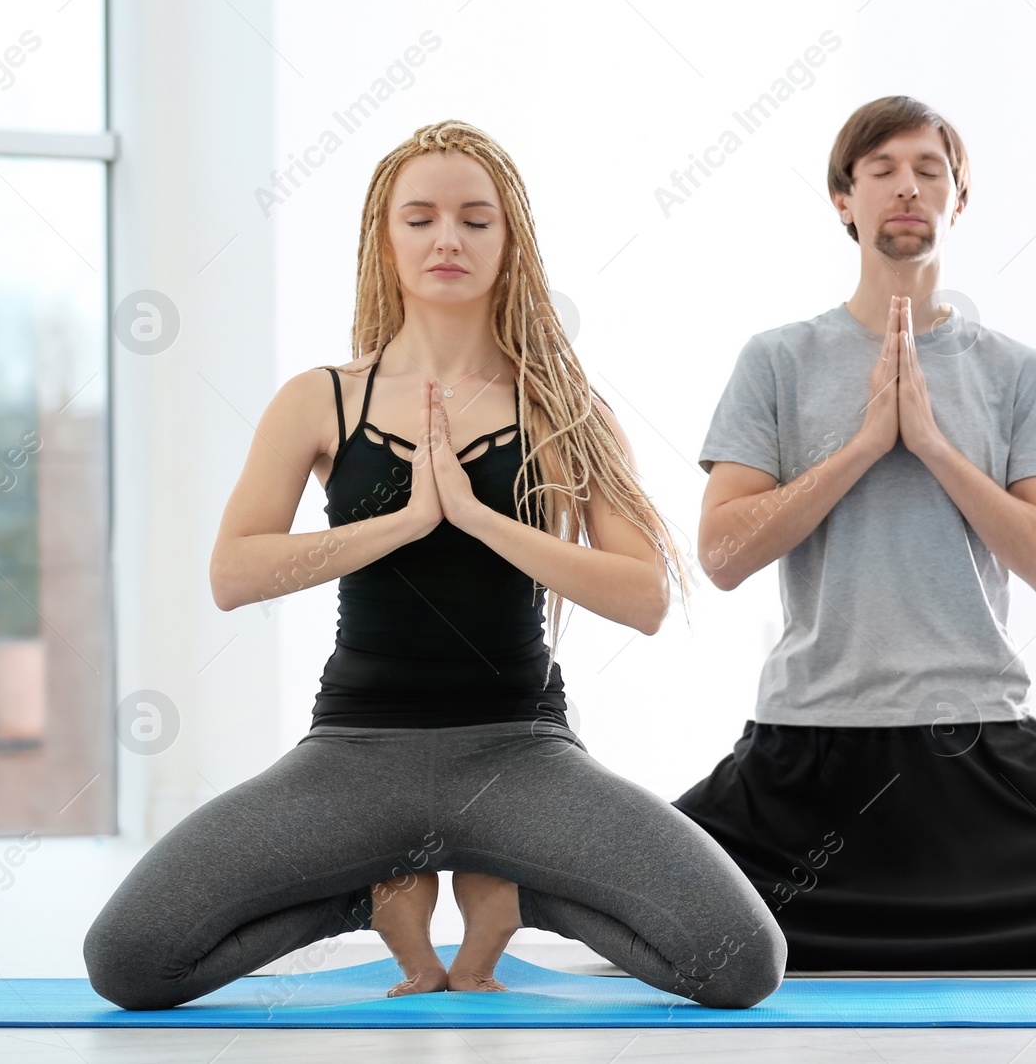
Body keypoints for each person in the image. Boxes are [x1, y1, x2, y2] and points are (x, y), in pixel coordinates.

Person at [82, 120, 785, 1010]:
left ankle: (517, 890)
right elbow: (235, 574)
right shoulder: (321, 399)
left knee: (741, 961)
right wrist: (405, 523)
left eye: (474, 219)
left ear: (509, 242)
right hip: (353, 752)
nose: (446, 238)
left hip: (522, 752)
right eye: (419, 218)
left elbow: (644, 596)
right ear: (386, 239)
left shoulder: (565, 411)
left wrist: (479, 518)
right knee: (130, 959)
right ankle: (363, 891)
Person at [670, 96, 1036, 972]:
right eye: (881, 170)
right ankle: (898, 930)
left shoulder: (1014, 373)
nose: (907, 187)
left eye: (930, 170)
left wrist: (930, 445)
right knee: (638, 899)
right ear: (843, 200)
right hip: (809, 738)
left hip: (972, 732)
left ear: (958, 202)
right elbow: (723, 556)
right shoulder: (776, 360)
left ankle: (820, 937)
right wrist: (860, 448)